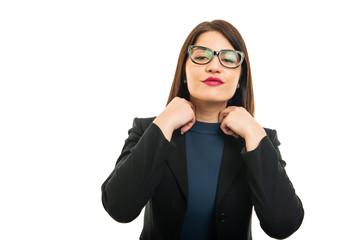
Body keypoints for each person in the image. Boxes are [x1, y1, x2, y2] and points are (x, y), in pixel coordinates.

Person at [101, 20, 304, 240]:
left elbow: (283, 225)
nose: (214, 66)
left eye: (228, 59)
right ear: (184, 73)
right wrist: (165, 122)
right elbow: (119, 208)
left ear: (240, 79)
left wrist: (254, 134)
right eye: (200, 56)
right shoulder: (149, 129)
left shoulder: (258, 138)